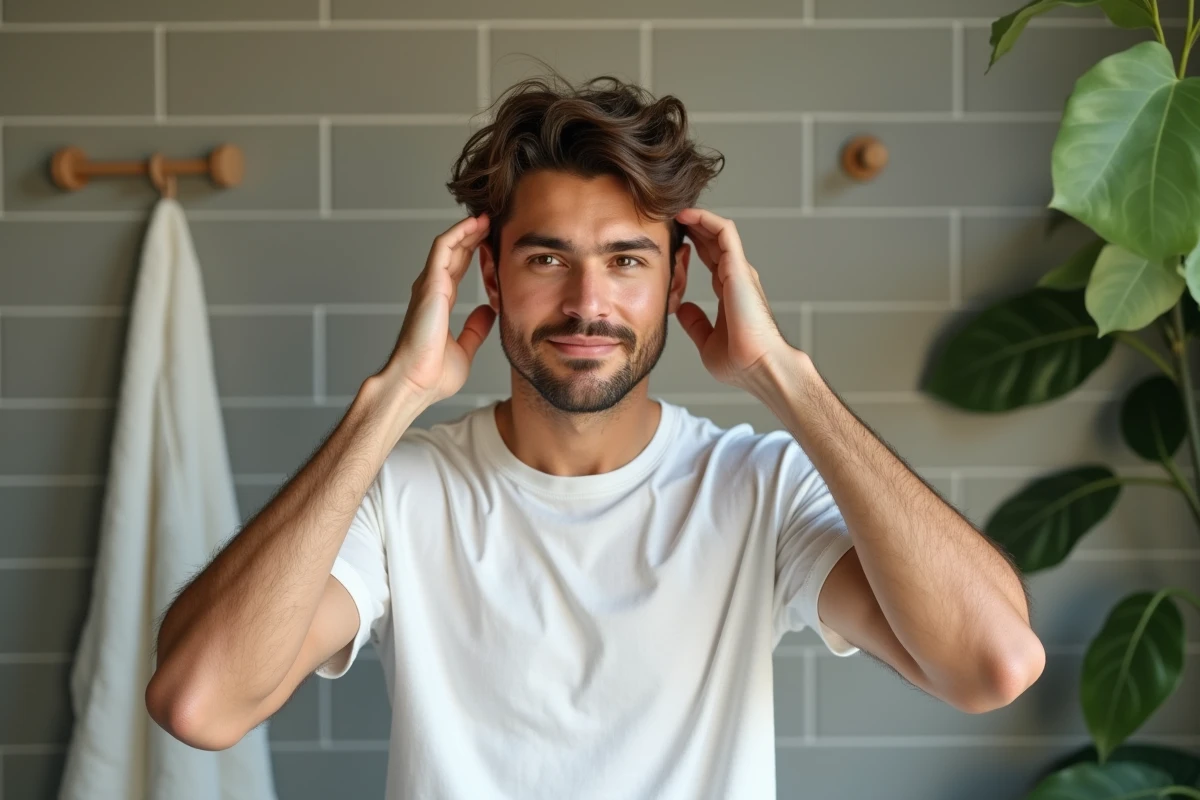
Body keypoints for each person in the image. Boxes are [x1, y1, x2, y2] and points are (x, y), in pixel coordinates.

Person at [146, 71, 1046, 799]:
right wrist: (391, 400)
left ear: (678, 277)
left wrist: (787, 378)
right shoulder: (402, 488)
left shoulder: (757, 487)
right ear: (489, 277)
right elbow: (198, 703)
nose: (587, 304)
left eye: (626, 261)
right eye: (547, 259)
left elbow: (991, 665)